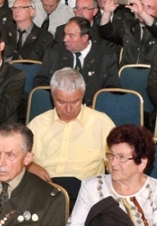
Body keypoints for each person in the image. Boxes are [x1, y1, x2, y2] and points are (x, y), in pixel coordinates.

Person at [27, 68, 115, 202]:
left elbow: (116, 161)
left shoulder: (102, 123)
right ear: (52, 97)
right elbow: (17, 157)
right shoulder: (38, 124)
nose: (68, 109)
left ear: (83, 96)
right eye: (61, 102)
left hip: (85, 194)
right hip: (44, 190)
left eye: (75, 102)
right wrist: (29, 166)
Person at [34, 18, 120, 103]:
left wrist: (95, 106)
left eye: (71, 36)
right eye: (65, 34)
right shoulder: (54, 54)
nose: (65, 39)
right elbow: (40, 83)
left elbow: (112, 91)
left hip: (93, 108)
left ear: (85, 38)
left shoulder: (105, 57)